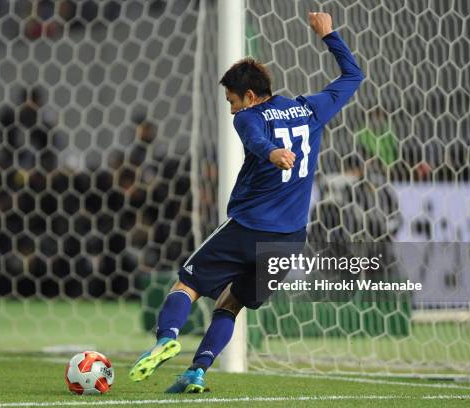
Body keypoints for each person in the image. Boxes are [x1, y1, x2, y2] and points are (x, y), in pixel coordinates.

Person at [129, 12, 363, 393]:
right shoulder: (311, 109)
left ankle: (165, 337)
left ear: (250, 97)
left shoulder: (249, 117)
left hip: (248, 229)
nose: (232, 108)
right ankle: (197, 371)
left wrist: (271, 153)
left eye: (232, 100)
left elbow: (255, 139)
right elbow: (353, 76)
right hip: (288, 241)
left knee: (186, 283)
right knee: (230, 304)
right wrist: (329, 35)